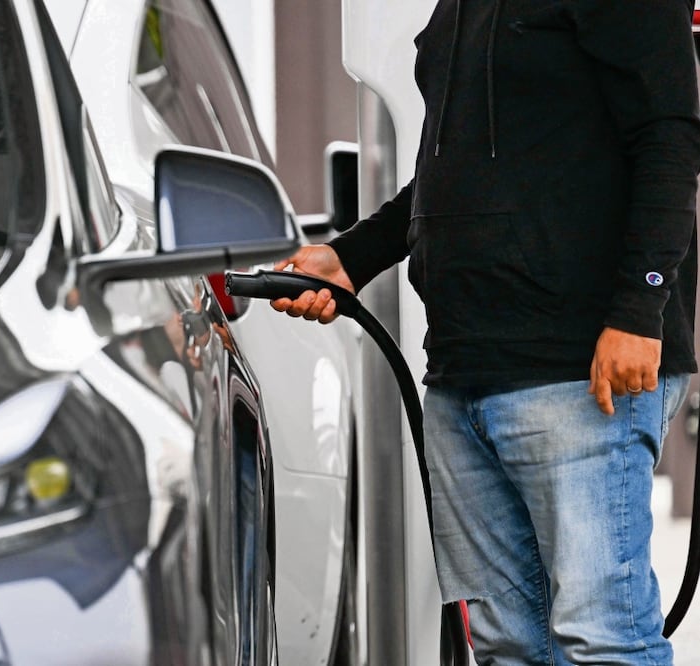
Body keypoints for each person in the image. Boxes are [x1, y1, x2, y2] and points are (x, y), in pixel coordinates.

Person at [272, 1, 700, 663]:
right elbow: (456, 172)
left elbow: (668, 139)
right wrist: (350, 257)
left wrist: (638, 311)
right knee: (506, 647)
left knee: (603, 641)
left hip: (580, 370)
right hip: (461, 374)